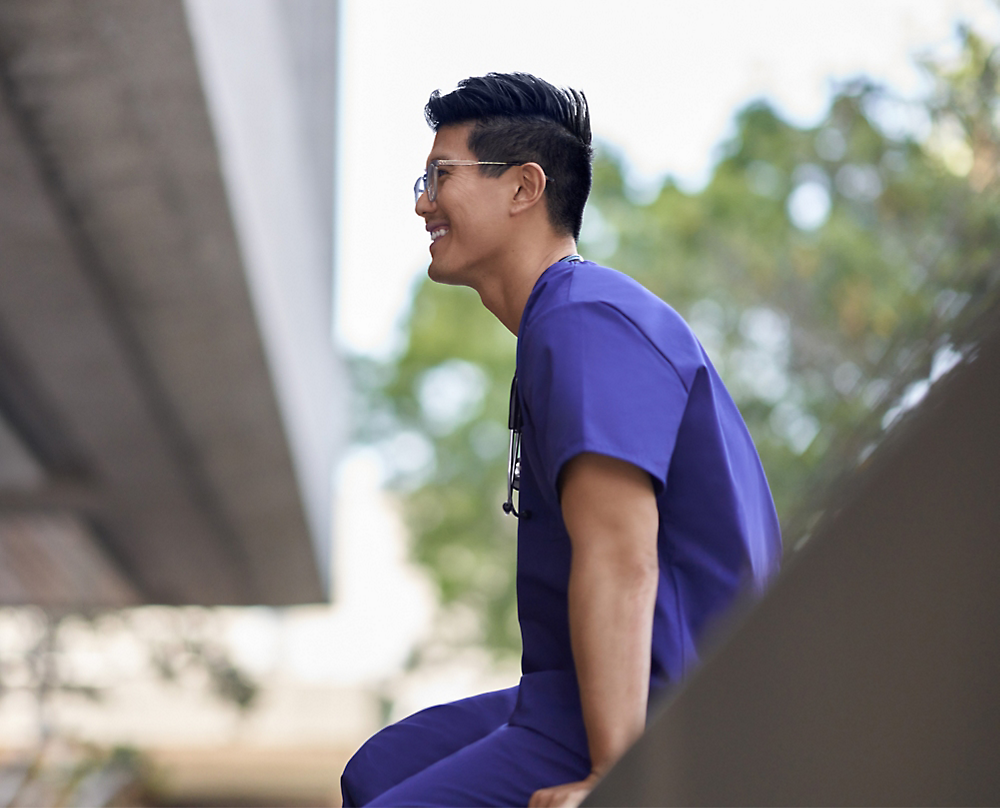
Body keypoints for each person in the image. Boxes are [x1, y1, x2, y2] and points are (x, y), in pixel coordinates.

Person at [341, 72, 781, 808]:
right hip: (570, 690)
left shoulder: (585, 318)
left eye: (439, 176)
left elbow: (622, 553)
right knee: (377, 771)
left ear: (523, 188)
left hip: (669, 699)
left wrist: (615, 777)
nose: (422, 202)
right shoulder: (562, 322)